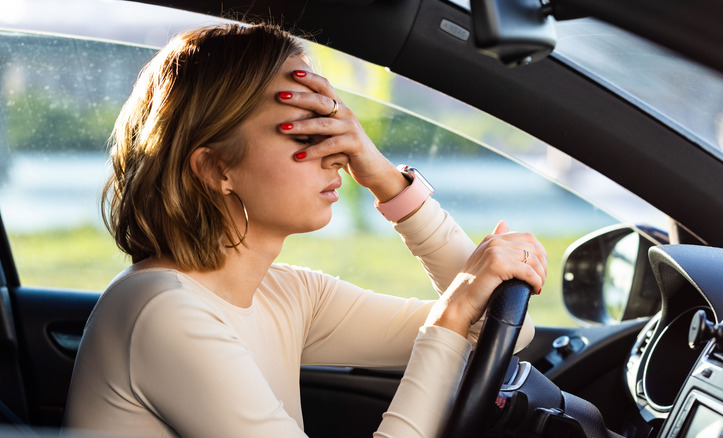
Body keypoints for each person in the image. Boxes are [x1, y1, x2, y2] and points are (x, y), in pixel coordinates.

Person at [62, 22, 547, 438]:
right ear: (215, 169)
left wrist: (386, 179)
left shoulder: (287, 294)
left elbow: (505, 329)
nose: (340, 152)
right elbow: (465, 319)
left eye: (333, 125)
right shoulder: (162, 313)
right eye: (305, 133)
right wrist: (453, 309)